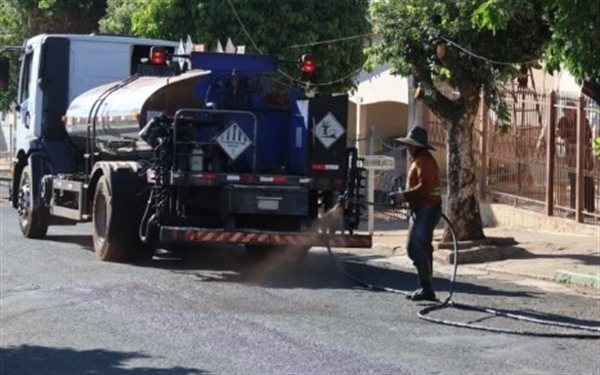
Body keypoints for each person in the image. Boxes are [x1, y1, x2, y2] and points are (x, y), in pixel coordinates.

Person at [389, 126, 442, 301]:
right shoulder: (420, 160)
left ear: (418, 146)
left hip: (426, 210)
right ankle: (426, 287)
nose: (408, 148)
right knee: (423, 248)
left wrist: (403, 195)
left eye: (411, 145)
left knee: (414, 247)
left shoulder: (424, 162)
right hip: (423, 209)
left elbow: (425, 187)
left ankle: (426, 287)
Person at [556, 102, 595, 213]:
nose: (567, 112)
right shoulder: (562, 121)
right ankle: (574, 209)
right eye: (565, 110)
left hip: (584, 155)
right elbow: (558, 132)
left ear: (575, 110)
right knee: (573, 181)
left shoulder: (583, 121)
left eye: (569, 110)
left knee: (587, 181)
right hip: (571, 156)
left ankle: (590, 209)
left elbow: (588, 137)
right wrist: (558, 134)